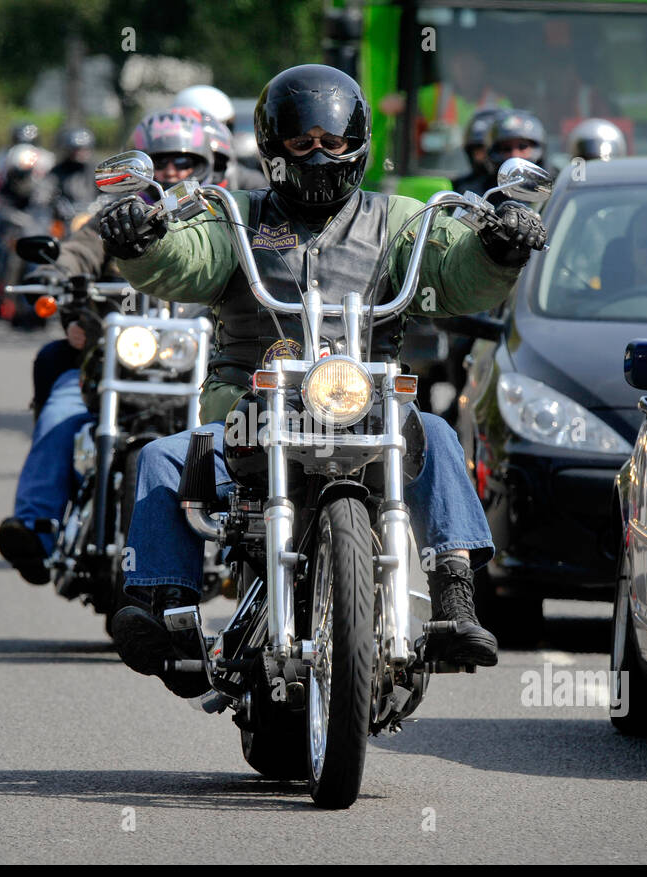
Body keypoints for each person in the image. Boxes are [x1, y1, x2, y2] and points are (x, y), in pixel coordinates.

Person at [96, 64, 546, 696]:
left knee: (439, 436)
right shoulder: (234, 213)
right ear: (273, 144)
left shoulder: (402, 220)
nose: (317, 152)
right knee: (166, 459)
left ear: (356, 140)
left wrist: (498, 246)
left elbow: (455, 269)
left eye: (332, 139)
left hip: (370, 409)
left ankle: (454, 594)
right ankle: (165, 613)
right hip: (251, 416)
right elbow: (185, 261)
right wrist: (143, 240)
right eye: (302, 139)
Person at [0, 108, 217, 583]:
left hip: (202, 367)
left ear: (204, 165)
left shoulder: (219, 219)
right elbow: (78, 251)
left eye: (184, 162)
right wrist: (57, 276)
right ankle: (37, 529)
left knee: (246, 430)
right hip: (112, 362)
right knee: (62, 409)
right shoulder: (112, 219)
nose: (171, 172)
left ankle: (254, 541)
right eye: (159, 162)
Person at [452, 108, 508, 195]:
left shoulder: (513, 187)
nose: (484, 156)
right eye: (477, 149)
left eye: (489, 149)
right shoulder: (461, 186)